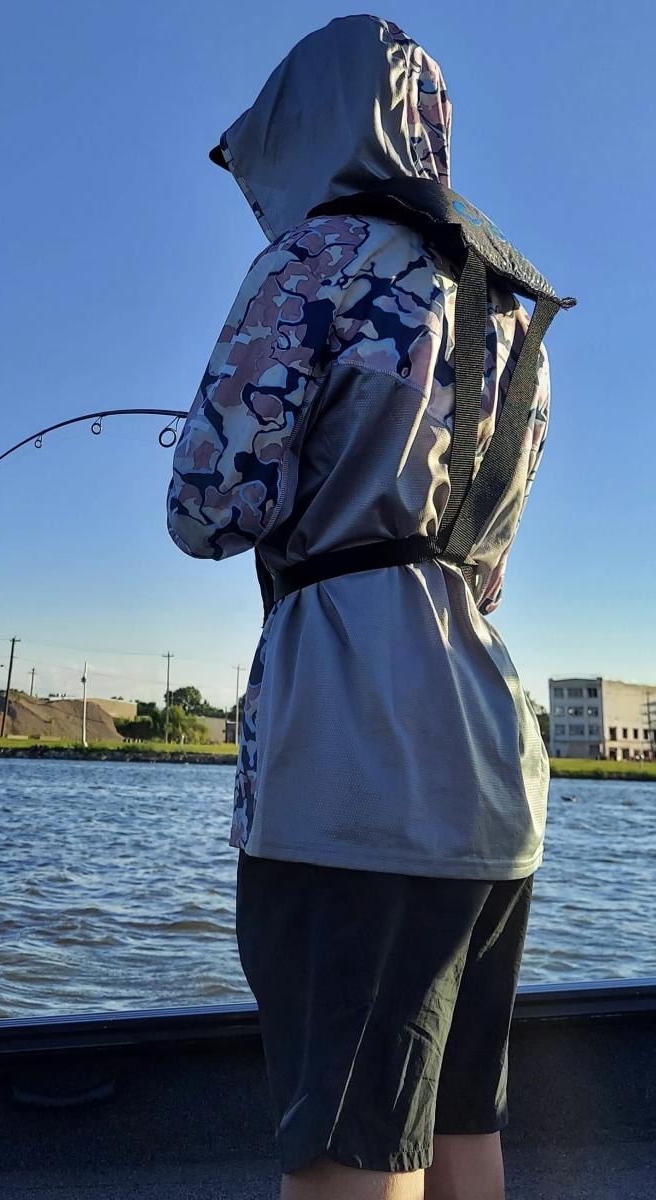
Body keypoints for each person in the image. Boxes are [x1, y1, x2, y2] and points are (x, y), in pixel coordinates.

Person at [166, 16, 571, 1200]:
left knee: (350, 1156)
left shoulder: (313, 257)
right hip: (497, 774)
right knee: (458, 1131)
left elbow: (207, 505)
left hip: (358, 766)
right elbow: (484, 566)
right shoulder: (511, 310)